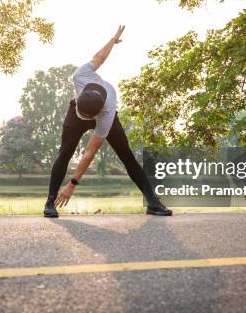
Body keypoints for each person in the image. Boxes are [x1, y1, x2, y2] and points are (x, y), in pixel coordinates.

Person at [44, 25, 172, 217]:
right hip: (80, 109)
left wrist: (72, 184)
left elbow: (90, 152)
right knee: (65, 153)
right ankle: (50, 202)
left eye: (86, 117)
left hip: (104, 113)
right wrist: (112, 41)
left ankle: (153, 202)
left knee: (127, 156)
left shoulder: (107, 112)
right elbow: (99, 58)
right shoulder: (81, 76)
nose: (84, 119)